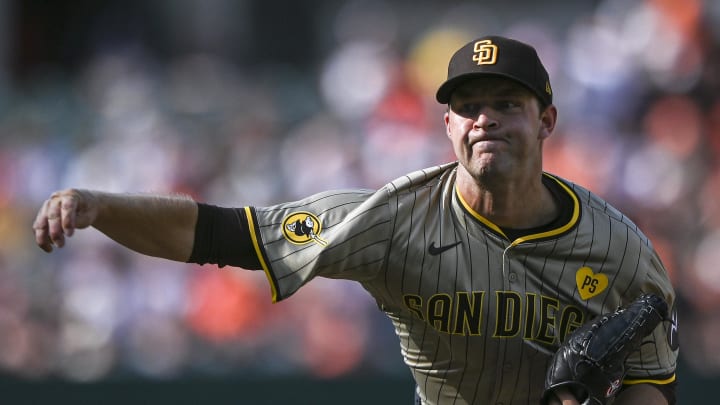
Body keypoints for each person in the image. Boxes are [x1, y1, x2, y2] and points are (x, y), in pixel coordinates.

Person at [33, 36, 678, 404]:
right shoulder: (393, 219)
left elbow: (654, 383)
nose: (485, 119)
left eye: (506, 104)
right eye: (469, 106)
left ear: (546, 121)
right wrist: (102, 207)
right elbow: (222, 233)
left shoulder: (617, 249)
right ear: (447, 124)